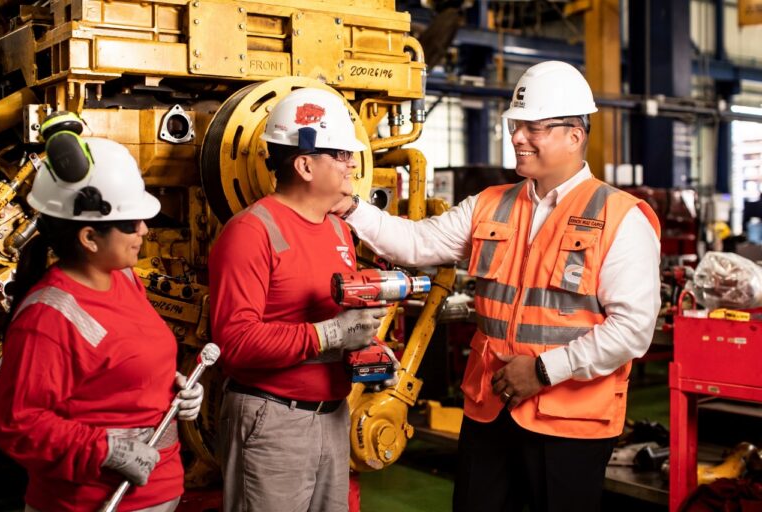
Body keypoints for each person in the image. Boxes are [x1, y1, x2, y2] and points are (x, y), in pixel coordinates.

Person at [334, 60, 662, 512]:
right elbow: (416, 242)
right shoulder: (490, 204)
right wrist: (349, 205)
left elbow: (632, 329)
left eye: (534, 128)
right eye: (515, 126)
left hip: (570, 420)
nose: (518, 138)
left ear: (575, 134)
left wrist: (544, 370)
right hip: (490, 408)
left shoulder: (621, 217)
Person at [0, 125, 204, 512]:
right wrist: (105, 450)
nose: (143, 230)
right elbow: (18, 426)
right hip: (93, 501)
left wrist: (175, 389)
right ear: (89, 238)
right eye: (130, 224)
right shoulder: (47, 318)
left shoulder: (124, 280)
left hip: (155, 493)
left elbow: (123, 367)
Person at [209, 87, 387, 512]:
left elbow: (341, 322)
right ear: (305, 164)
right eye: (341, 155)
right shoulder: (250, 232)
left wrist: (370, 351)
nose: (351, 165)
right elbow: (234, 343)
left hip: (333, 414)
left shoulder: (339, 231)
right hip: (273, 420)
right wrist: (329, 334)